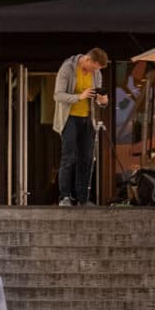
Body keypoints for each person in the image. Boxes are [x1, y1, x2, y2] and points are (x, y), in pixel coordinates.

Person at [51, 47, 108, 207]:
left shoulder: (96, 74)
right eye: (95, 67)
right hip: (69, 118)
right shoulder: (68, 68)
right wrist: (79, 97)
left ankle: (83, 198)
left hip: (87, 118)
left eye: (98, 70)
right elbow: (58, 95)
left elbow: (97, 97)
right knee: (69, 157)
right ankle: (64, 196)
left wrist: (102, 100)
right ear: (88, 60)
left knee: (87, 158)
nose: (96, 71)